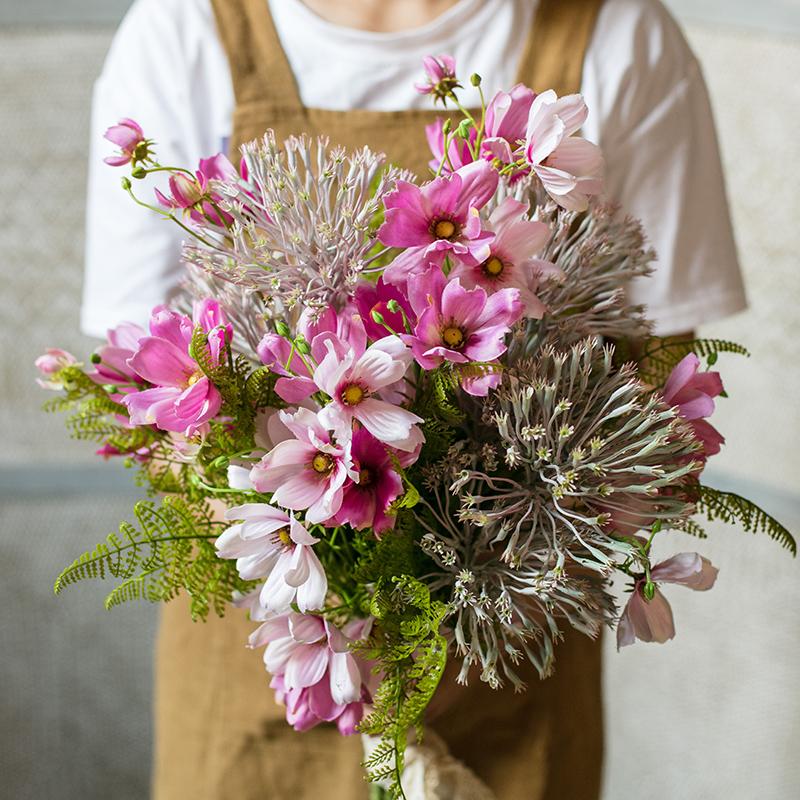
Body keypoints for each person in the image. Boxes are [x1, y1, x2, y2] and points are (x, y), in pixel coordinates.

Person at [81, 1, 747, 798]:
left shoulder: (618, 35)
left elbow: (655, 387)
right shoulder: (185, 30)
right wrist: (338, 559)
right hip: (272, 659)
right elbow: (150, 390)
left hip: (509, 676)